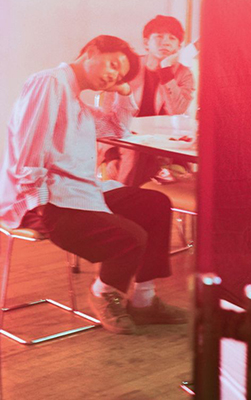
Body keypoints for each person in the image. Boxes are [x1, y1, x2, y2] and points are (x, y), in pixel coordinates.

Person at [0, 35, 187, 334]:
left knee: (155, 204)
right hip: (41, 200)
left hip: (77, 191)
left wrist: (124, 91)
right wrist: (39, 204)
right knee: (131, 237)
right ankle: (104, 292)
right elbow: (29, 150)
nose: (113, 75)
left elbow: (117, 128)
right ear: (91, 51)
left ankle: (144, 301)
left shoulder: (76, 102)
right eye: (112, 64)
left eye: (120, 74)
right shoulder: (50, 83)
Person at [100, 15, 195, 185]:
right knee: (133, 165)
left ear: (179, 47)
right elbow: (107, 113)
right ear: (146, 42)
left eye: (172, 38)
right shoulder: (129, 67)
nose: (165, 42)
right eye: (159, 36)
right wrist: (110, 155)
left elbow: (177, 110)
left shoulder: (184, 74)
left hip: (165, 148)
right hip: (126, 145)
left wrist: (165, 71)